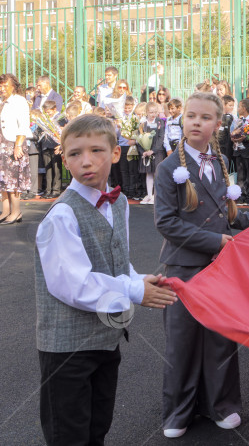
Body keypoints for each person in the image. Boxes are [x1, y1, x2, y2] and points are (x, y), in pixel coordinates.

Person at [35, 114, 177, 445]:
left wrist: (140, 279)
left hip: (105, 341)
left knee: (97, 429)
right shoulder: (62, 215)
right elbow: (73, 284)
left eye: (97, 150)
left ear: (115, 153)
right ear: (64, 157)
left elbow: (116, 262)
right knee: (68, 436)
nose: (86, 161)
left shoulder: (118, 203)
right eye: (74, 153)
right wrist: (133, 290)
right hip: (67, 351)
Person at [155, 92, 249, 438]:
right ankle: (178, 411)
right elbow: (166, 223)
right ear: (182, 120)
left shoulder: (219, 164)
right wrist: (215, 242)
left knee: (221, 338)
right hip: (183, 269)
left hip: (220, 269)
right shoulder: (168, 168)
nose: (195, 122)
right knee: (183, 341)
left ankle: (222, 404)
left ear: (218, 125)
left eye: (204, 118)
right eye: (190, 116)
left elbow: (227, 214)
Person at [0, 74, 31, 224]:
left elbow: (24, 125)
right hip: (1, 143)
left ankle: (16, 212)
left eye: (5, 85)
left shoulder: (19, 101)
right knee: (2, 181)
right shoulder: (1, 100)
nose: (2, 88)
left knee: (13, 180)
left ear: (14, 86)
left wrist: (18, 145)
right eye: (1, 85)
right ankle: (5, 211)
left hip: (13, 143)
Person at [136, 101, 167, 205]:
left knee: (156, 174)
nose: (153, 114)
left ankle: (156, 195)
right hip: (146, 153)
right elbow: (139, 138)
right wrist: (143, 152)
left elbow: (160, 138)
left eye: (155, 112)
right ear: (146, 112)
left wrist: (153, 150)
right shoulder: (143, 123)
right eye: (151, 112)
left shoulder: (159, 122)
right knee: (148, 174)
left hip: (156, 153)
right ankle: (149, 195)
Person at [231, 99, 249, 206]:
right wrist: (233, 137)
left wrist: (244, 138)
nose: (237, 109)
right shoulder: (238, 120)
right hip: (238, 151)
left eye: (239, 107)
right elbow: (233, 132)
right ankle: (241, 196)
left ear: (244, 108)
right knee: (241, 175)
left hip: (248, 152)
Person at [38, 100, 63, 199]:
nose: (48, 114)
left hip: (55, 146)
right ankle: (48, 189)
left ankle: (56, 189)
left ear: (54, 109)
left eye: (49, 112)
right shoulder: (44, 119)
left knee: (56, 168)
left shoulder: (60, 118)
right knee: (48, 169)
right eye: (46, 112)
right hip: (46, 145)